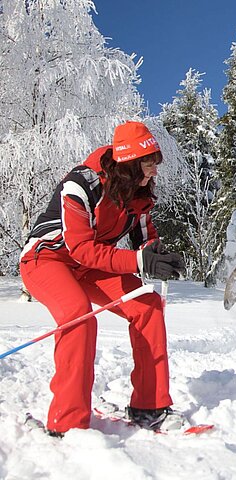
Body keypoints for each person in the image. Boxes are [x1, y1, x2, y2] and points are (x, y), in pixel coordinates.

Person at [19, 121, 186, 436]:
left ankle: (149, 407)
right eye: (149, 162)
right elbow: (81, 248)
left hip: (89, 266)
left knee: (147, 305)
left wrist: (158, 257)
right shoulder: (80, 185)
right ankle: (67, 424)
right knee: (78, 315)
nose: (155, 170)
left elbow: (145, 238)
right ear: (129, 162)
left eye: (156, 161)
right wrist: (139, 261)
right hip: (47, 258)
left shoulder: (138, 196)